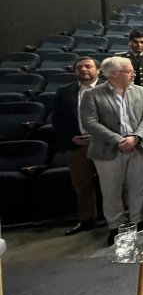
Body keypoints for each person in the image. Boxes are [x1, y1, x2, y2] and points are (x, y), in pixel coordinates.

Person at [80, 56, 143, 245]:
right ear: (114, 74)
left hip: (138, 146)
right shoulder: (93, 94)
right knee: (111, 189)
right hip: (108, 150)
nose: (133, 74)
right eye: (129, 71)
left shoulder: (140, 91)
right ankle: (116, 226)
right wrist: (118, 140)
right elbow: (90, 123)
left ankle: (137, 220)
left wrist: (136, 137)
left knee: (138, 186)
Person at [53, 56, 100, 236]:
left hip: (104, 144)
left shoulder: (109, 88)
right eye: (79, 67)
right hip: (77, 145)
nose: (83, 70)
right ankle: (86, 219)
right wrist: (70, 137)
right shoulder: (64, 92)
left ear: (98, 70)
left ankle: (121, 220)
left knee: (114, 183)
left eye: (88, 66)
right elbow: (57, 120)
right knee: (81, 184)